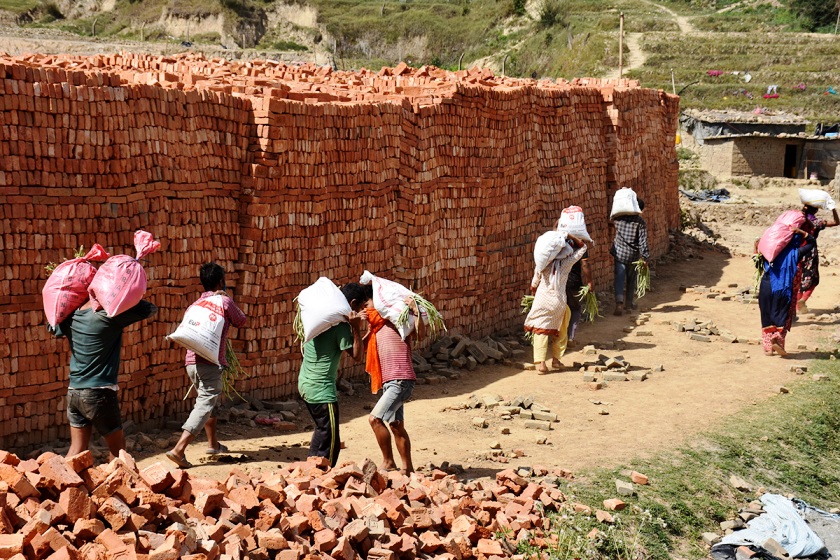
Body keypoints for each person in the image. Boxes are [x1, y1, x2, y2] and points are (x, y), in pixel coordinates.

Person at [54, 298, 157, 460]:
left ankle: (59, 482)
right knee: (118, 451)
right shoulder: (108, 315)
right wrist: (117, 292)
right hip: (99, 393)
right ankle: (115, 484)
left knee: (76, 450)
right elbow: (149, 309)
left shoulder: (72, 316)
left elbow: (53, 327)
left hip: (74, 392)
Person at [166, 263, 246, 469]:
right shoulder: (224, 301)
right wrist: (225, 298)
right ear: (221, 282)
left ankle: (213, 444)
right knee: (204, 404)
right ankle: (179, 449)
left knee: (208, 401)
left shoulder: (195, 304)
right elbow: (241, 321)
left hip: (191, 363)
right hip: (209, 362)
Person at [297, 282, 368, 467]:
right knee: (330, 441)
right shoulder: (339, 327)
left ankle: (310, 472)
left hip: (306, 383)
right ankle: (318, 477)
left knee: (323, 432)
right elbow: (358, 356)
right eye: (360, 307)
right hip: (321, 390)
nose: (360, 310)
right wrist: (356, 327)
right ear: (352, 304)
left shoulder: (323, 321)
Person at [364, 294, 425, 474]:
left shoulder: (396, 319)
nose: (365, 307)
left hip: (401, 380)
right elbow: (358, 348)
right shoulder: (375, 327)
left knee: (374, 419)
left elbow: (420, 334)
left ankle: (389, 462)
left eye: (367, 302)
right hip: (390, 382)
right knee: (396, 426)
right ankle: (408, 470)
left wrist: (415, 311)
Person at [524, 233, 588, 373]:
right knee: (561, 328)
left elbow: (533, 285)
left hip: (542, 300)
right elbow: (583, 249)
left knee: (540, 331)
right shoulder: (566, 263)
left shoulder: (542, 265)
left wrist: (535, 290)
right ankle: (556, 360)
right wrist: (571, 236)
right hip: (558, 301)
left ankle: (541, 364)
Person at [759, 227, 815, 356]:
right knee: (782, 314)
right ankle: (778, 340)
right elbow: (812, 243)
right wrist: (802, 232)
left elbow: (758, 255)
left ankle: (768, 347)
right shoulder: (795, 253)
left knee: (766, 314)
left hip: (766, 286)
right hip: (783, 289)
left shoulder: (769, 252)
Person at [796, 205, 839, 314]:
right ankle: (803, 300)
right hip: (811, 251)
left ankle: (796, 307)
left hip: (797, 251)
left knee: (798, 278)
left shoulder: (798, 221)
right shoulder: (817, 222)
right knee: (814, 279)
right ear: (815, 211)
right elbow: (836, 222)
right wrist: (833, 209)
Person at [611, 198, 650, 315]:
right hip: (633, 256)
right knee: (631, 279)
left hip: (619, 254)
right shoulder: (640, 222)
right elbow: (643, 241)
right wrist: (645, 257)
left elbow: (610, 220)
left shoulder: (618, 219)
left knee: (619, 279)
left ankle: (619, 303)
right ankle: (628, 305)